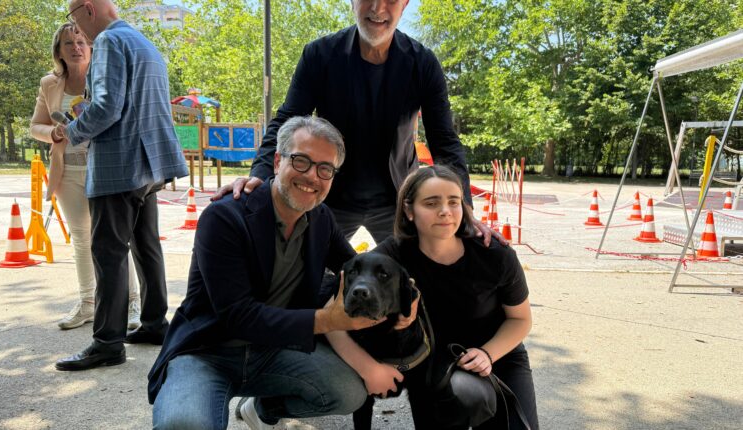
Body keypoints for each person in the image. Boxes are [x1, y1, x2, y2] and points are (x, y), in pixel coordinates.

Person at [149, 116, 405, 429]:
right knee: (183, 425)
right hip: (207, 352)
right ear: (277, 161)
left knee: (348, 392)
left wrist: (405, 293)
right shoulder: (224, 217)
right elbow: (238, 316)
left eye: (325, 169)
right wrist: (327, 320)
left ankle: (263, 409)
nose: (312, 176)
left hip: (274, 352)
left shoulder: (321, 218)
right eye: (301, 161)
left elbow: (355, 268)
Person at [214, 0, 493, 245]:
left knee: (411, 277)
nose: (378, 8)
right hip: (329, 195)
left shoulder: (423, 63)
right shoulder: (320, 55)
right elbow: (287, 120)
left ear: (405, 4)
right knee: (307, 275)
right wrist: (260, 174)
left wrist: (465, 209)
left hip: (397, 199)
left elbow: (444, 140)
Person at [343, 165, 539, 429]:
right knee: (466, 396)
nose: (445, 211)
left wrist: (487, 354)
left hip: (498, 354)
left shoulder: (494, 254)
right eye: (431, 203)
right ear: (409, 210)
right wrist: (368, 368)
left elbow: (520, 320)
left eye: (453, 202)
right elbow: (334, 313)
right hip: (434, 363)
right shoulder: (391, 256)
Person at [53, 0, 188, 371]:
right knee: (147, 246)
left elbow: (108, 106)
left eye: (73, 16)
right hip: (150, 163)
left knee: (108, 253)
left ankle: (107, 343)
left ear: (88, 9)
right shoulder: (143, 42)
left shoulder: (109, 42)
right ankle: (154, 323)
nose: (77, 28)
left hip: (119, 164)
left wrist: (72, 130)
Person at [29, 22, 141, 331]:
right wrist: (53, 133)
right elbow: (35, 126)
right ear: (59, 51)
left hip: (106, 169)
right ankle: (88, 303)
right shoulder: (49, 83)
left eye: (81, 41)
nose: (76, 48)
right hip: (68, 172)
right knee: (81, 239)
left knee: (116, 239)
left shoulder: (104, 77)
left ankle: (133, 302)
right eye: (68, 43)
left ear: (90, 47)